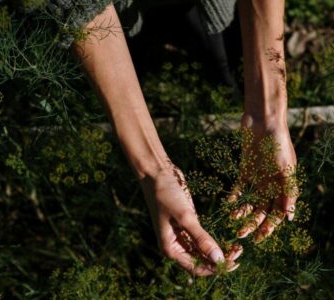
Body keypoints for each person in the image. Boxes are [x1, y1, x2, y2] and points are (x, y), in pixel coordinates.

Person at [70, 0, 298, 276]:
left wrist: (268, 114)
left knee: (222, 68)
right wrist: (153, 171)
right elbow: (75, 6)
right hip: (101, 28)